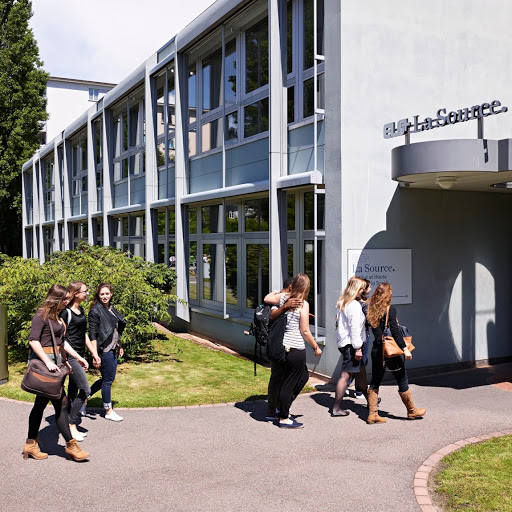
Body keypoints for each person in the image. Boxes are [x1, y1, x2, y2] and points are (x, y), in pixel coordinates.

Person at [23, 285, 90, 462]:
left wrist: (75, 358)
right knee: (61, 403)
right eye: (64, 299)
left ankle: (31, 443)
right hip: (47, 366)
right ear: (55, 298)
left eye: (68, 299)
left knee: (41, 405)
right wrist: (48, 362)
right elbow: (33, 341)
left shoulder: (58, 316)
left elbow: (62, 343)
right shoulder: (41, 316)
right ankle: (71, 445)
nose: (67, 302)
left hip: (57, 365)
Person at [267, 273, 322, 428]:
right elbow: (305, 331)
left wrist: (278, 292)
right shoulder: (303, 304)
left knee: (303, 376)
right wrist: (316, 347)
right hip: (296, 348)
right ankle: (284, 416)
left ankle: (283, 407)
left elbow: (267, 298)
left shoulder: (285, 299)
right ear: (306, 287)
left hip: (285, 347)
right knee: (290, 383)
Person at [366, 282, 426, 424]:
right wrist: (405, 349)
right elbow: (395, 331)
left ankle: (372, 414)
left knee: (375, 381)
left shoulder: (370, 309)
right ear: (387, 295)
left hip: (377, 350)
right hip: (390, 353)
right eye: (390, 292)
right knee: (402, 379)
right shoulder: (389, 310)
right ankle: (412, 411)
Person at [61, 281, 100, 441]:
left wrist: (93, 353)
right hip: (71, 356)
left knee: (72, 392)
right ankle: (71, 425)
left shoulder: (81, 310)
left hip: (81, 354)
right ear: (76, 294)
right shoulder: (65, 313)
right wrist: (70, 359)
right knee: (86, 390)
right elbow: (61, 339)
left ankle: (69, 423)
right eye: (85, 291)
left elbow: (83, 334)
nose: (87, 293)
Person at [263, 278, 303, 421]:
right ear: (291, 287)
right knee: (277, 375)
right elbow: (272, 317)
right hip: (278, 343)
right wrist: (285, 306)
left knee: (286, 376)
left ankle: (281, 405)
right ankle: (272, 409)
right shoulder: (280, 299)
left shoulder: (288, 299)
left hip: (287, 344)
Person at [88, 283, 126, 422]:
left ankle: (83, 399)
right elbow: (92, 334)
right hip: (104, 350)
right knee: (108, 381)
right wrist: (95, 354)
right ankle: (108, 410)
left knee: (106, 379)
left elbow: (115, 330)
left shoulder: (110, 308)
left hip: (113, 349)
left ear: (111, 294)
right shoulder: (95, 311)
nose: (105, 296)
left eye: (107, 294)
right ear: (98, 295)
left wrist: (119, 345)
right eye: (102, 294)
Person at [332, 276, 369, 417]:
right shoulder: (353, 305)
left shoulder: (342, 302)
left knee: (361, 373)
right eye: (361, 288)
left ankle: (370, 401)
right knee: (345, 376)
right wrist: (358, 348)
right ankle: (336, 408)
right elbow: (354, 328)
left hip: (344, 343)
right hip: (352, 345)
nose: (363, 291)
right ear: (356, 289)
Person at [348, 278, 372, 400]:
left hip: (354, 339)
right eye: (367, 288)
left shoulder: (346, 302)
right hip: (360, 338)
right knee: (360, 363)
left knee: (355, 364)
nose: (369, 289)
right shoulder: (360, 304)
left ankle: (349, 386)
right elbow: (357, 325)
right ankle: (359, 391)